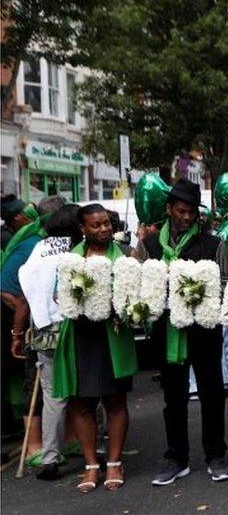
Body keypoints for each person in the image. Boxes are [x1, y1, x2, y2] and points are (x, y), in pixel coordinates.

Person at [135, 179, 228, 486]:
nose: (187, 217)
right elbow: (139, 285)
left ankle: (216, 455)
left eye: (192, 212)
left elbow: (225, 283)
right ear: (169, 210)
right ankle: (177, 458)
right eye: (181, 211)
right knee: (173, 397)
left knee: (212, 393)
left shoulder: (213, 243)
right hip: (167, 332)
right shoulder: (149, 245)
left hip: (204, 330)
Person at [52, 204, 139, 492]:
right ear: (83, 229)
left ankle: (114, 462)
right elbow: (58, 295)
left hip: (113, 336)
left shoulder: (125, 256)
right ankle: (91, 466)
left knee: (115, 400)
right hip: (80, 337)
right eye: (96, 225)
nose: (103, 230)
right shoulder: (70, 260)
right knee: (82, 402)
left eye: (106, 224)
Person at [15, 204, 82, 480]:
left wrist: (17, 334)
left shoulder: (38, 250)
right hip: (74, 328)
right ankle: (86, 447)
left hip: (44, 330)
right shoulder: (77, 249)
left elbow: (23, 294)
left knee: (54, 394)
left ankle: (51, 456)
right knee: (83, 390)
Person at [1, 198, 45, 442]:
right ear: (17, 218)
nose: (30, 209)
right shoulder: (25, 243)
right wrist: (16, 335)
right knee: (30, 380)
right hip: (17, 317)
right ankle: (33, 444)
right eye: (23, 208)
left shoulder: (31, 239)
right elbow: (19, 299)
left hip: (20, 317)